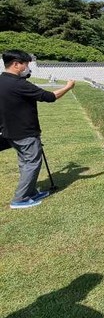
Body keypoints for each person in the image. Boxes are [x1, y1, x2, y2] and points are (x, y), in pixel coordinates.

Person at [0, 49, 75, 209]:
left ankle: (31, 192)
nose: (27, 67)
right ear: (15, 64)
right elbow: (50, 97)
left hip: (10, 131)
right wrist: (68, 87)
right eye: (25, 64)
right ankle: (20, 199)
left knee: (25, 162)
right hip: (25, 131)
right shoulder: (19, 85)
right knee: (32, 162)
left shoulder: (2, 81)